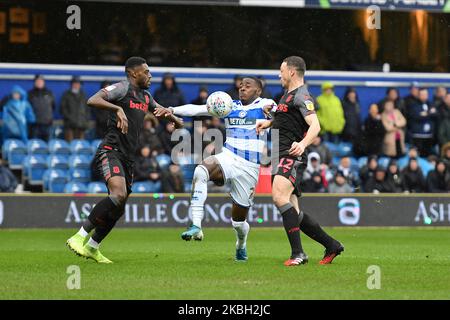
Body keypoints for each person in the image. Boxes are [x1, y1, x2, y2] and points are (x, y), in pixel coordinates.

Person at [66, 57, 183, 263]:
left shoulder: (146, 97)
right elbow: (92, 100)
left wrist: (174, 118)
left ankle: (93, 247)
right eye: (146, 72)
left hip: (128, 158)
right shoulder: (121, 88)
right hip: (111, 151)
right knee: (118, 195)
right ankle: (79, 237)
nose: (150, 75)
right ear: (133, 73)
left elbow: (159, 110)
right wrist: (117, 109)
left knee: (119, 207)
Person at [156, 76, 276, 262]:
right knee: (201, 170)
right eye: (241, 85)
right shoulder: (229, 106)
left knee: (238, 222)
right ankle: (196, 225)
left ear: (258, 91)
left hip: (250, 167)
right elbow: (198, 109)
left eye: (247, 86)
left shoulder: (265, 104)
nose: (242, 88)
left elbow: (282, 113)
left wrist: (273, 115)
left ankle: (241, 245)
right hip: (228, 156)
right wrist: (172, 109)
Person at [256, 56, 343, 266]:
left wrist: (302, 144)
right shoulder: (288, 96)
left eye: (281, 71)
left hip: (290, 155)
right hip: (280, 155)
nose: (279, 74)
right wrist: (269, 123)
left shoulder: (302, 95)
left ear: (292, 72)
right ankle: (331, 245)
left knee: (278, 196)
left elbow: (315, 125)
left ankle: (298, 254)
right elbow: (287, 121)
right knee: (293, 212)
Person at [409, 88, 438, 156]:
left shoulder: (431, 104)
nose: (424, 96)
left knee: (429, 155)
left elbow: (436, 114)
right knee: (418, 155)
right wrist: (429, 113)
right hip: (418, 136)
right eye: (422, 94)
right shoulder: (414, 105)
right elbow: (417, 116)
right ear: (418, 95)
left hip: (429, 136)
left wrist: (425, 114)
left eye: (425, 94)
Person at [60, 76, 90, 141]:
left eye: (78, 83)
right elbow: (63, 109)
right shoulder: (66, 95)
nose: (76, 85)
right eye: (75, 83)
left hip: (81, 125)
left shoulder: (83, 95)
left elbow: (87, 109)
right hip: (69, 126)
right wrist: (70, 118)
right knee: (70, 145)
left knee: (80, 146)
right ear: (71, 84)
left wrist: (85, 120)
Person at [28, 75, 55, 141]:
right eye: (37, 81)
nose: (39, 82)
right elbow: (27, 109)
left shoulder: (49, 93)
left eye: (41, 81)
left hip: (47, 124)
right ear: (35, 82)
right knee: (35, 146)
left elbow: (53, 106)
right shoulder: (30, 94)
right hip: (35, 126)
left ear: (44, 82)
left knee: (48, 147)